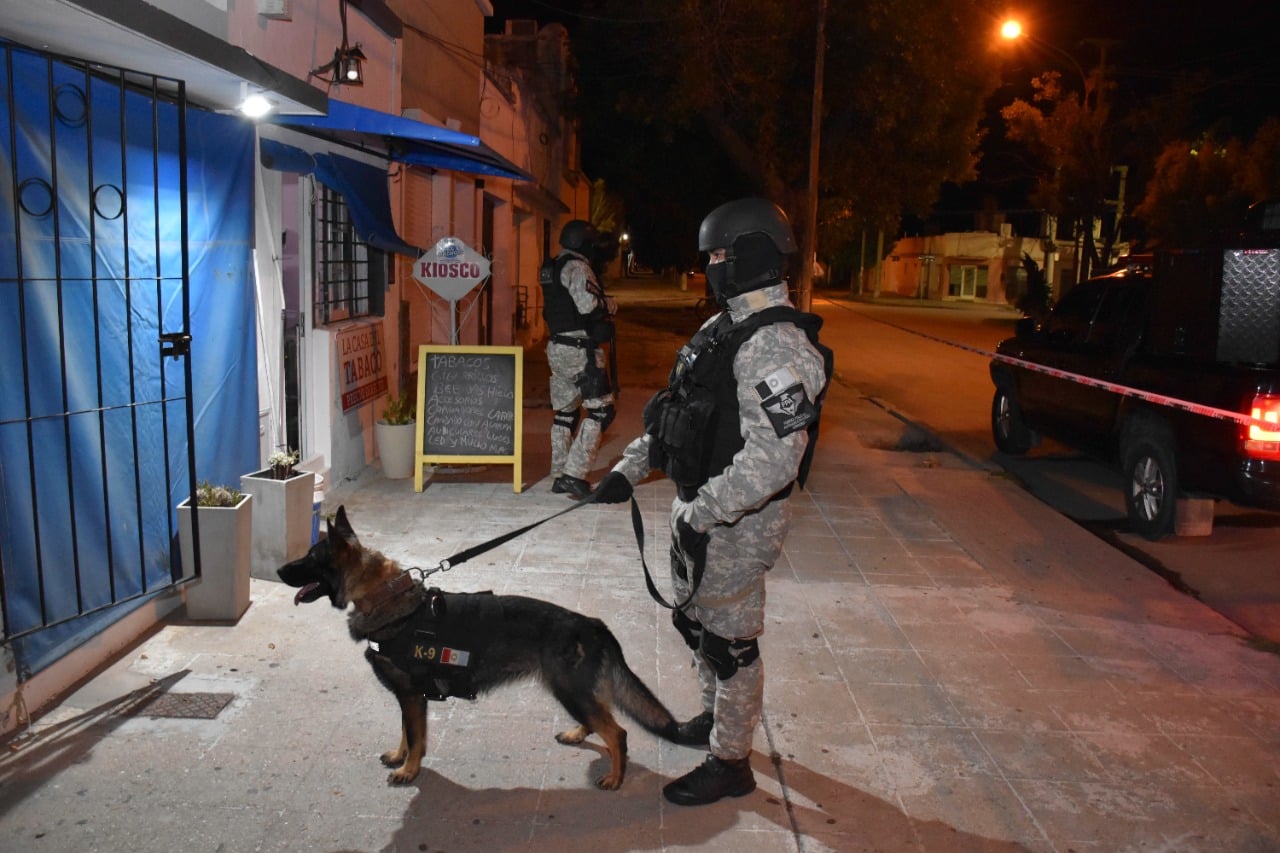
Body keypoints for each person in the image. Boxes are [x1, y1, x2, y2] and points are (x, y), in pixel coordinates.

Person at [590, 197, 831, 806]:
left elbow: (775, 461)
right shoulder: (722, 328)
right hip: (699, 509)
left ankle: (731, 762)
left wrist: (702, 515)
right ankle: (713, 719)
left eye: (721, 254)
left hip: (738, 523)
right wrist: (629, 468)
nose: (712, 266)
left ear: (753, 254)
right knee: (696, 626)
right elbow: (677, 413)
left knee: (730, 647)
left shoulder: (777, 347)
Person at [540, 219, 617, 499]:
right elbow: (588, 306)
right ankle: (574, 475)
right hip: (579, 351)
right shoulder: (578, 267)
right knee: (601, 411)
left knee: (565, 413)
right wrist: (609, 304)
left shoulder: (551, 268)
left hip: (556, 348)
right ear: (584, 243)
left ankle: (559, 474)